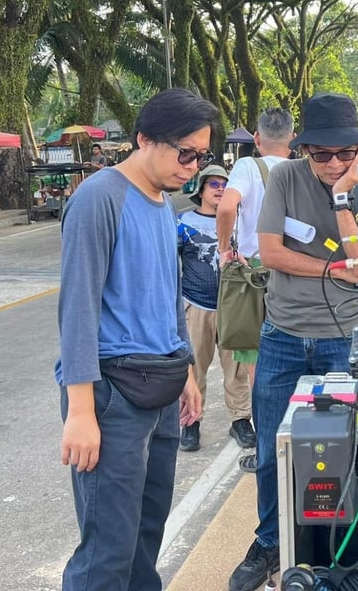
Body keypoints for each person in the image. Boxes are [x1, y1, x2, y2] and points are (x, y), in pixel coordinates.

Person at [56, 87, 219, 591]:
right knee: (107, 549)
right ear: (144, 139)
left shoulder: (162, 203)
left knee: (146, 537)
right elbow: (77, 309)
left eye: (201, 156)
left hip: (162, 385)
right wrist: (80, 411)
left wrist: (186, 368)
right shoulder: (99, 198)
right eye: (185, 153)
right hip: (112, 394)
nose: (193, 167)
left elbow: (168, 293)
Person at [228, 93, 358, 591]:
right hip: (283, 335)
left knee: (347, 450)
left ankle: (341, 546)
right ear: (302, 149)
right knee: (272, 450)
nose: (333, 163)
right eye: (321, 153)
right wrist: (333, 269)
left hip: (342, 338)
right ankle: (270, 540)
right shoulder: (285, 177)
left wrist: (343, 197)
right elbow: (271, 253)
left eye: (343, 153)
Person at [216, 107, 296, 471]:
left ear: (257, 138)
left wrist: (225, 249)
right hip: (295, 274)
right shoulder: (302, 169)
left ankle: (268, 452)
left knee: (258, 368)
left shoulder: (248, 166)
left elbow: (226, 208)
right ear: (293, 138)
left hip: (255, 275)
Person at [177, 164, 255, 453]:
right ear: (201, 189)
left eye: (225, 184)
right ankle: (191, 422)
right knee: (193, 368)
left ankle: (241, 419)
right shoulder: (183, 223)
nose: (220, 189)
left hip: (233, 307)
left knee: (237, 369)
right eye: (213, 184)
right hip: (196, 304)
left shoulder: (240, 222)